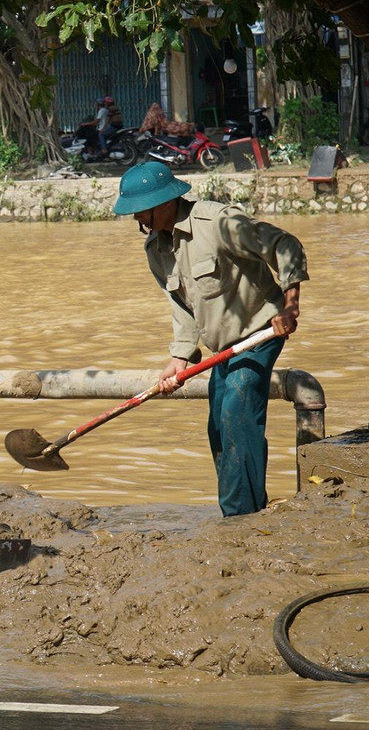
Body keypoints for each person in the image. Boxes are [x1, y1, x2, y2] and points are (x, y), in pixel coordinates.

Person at [112, 162, 307, 517]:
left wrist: (290, 306)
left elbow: (285, 244)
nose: (138, 218)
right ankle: (247, 507)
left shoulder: (216, 222)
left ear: (165, 202)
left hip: (260, 332)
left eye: (142, 210)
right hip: (224, 347)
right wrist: (180, 357)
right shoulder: (156, 249)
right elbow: (183, 306)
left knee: (237, 407)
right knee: (218, 424)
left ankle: (239, 517)